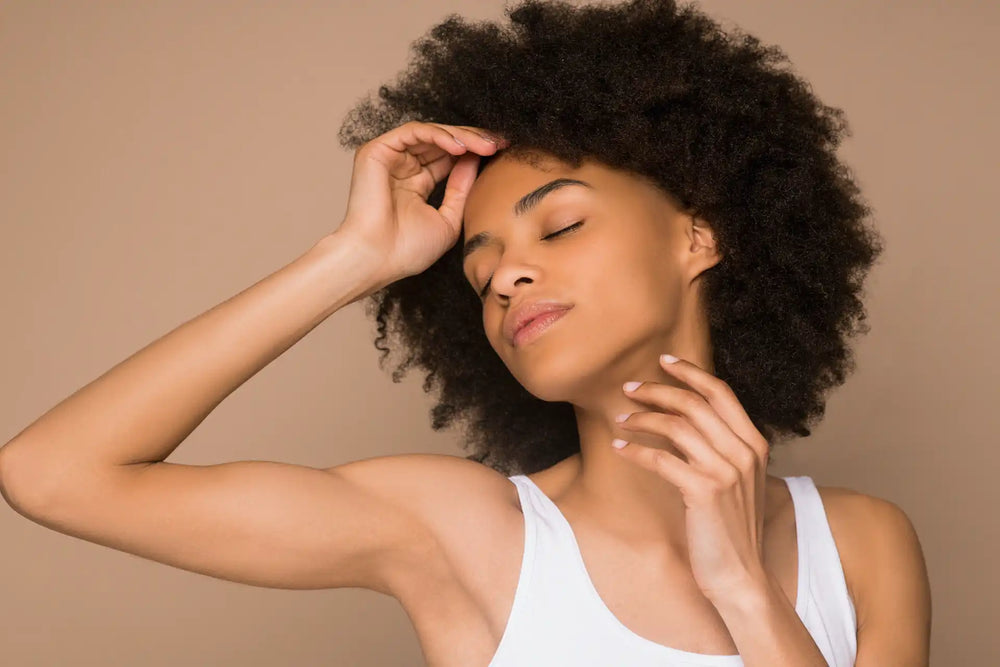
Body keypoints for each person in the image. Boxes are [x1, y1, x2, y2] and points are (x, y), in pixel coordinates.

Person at [0, 0, 931, 665]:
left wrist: (744, 591)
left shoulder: (861, 544)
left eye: (559, 225)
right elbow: (51, 474)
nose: (509, 276)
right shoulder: (463, 535)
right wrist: (353, 257)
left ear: (702, 232)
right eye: (480, 274)